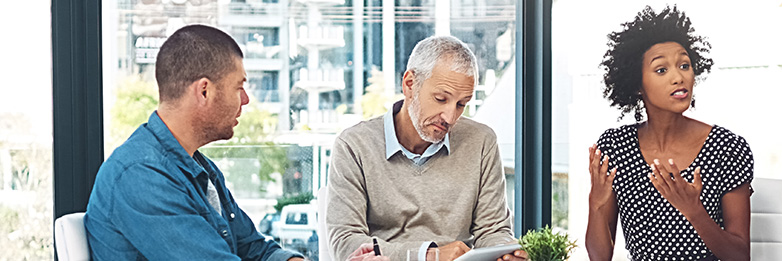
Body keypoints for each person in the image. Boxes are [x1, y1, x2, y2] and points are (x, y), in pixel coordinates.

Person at [84, 24, 307, 260]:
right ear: (204, 91)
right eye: (239, 87)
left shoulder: (200, 169)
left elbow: (254, 249)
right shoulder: (141, 175)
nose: (246, 99)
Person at [325, 35, 527, 261]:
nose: (450, 117)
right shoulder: (353, 146)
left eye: (462, 104)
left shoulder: (481, 142)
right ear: (410, 84)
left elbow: (493, 231)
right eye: (441, 99)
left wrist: (505, 252)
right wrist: (429, 256)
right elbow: (345, 242)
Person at [585, 6, 754, 261]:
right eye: (661, 70)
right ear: (637, 84)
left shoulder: (727, 148)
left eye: (684, 65)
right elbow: (600, 257)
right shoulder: (615, 148)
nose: (678, 77)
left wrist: (693, 211)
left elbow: (740, 256)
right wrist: (596, 203)